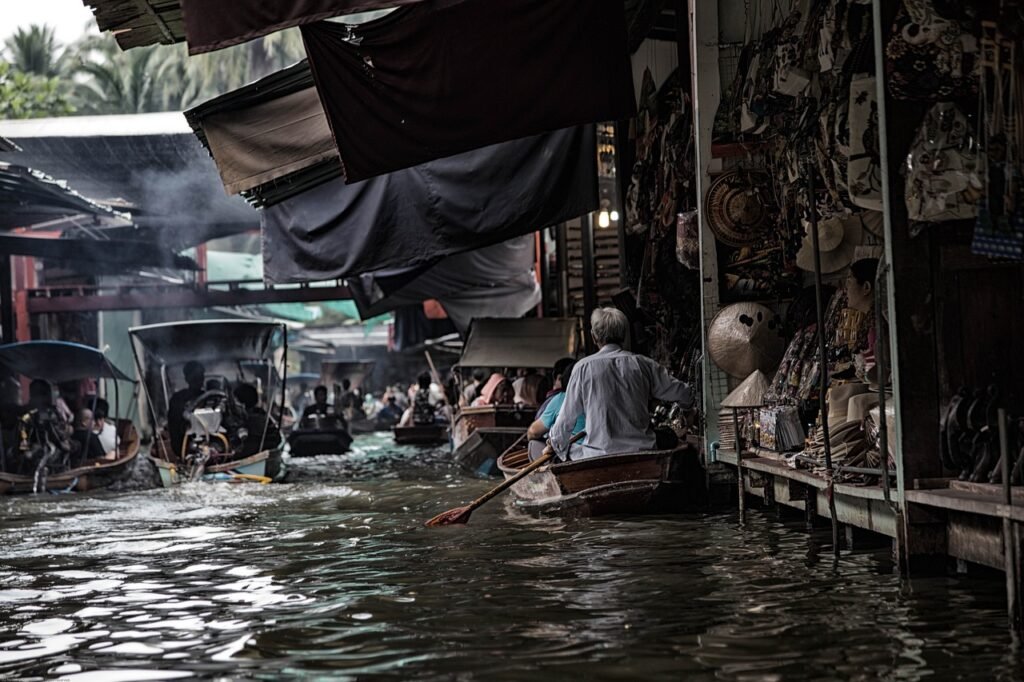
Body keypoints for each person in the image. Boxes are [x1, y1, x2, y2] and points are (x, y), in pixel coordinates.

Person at [549, 308, 693, 461]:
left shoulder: (583, 368)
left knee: (561, 454)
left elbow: (565, 420)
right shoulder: (642, 364)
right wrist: (686, 410)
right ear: (624, 335)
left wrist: (555, 444)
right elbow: (684, 393)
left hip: (597, 456)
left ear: (593, 336)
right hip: (642, 451)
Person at [526, 360, 585, 461]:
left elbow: (533, 432)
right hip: (594, 451)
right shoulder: (596, 398)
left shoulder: (561, 398)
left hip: (570, 455)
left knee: (534, 444)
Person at [168, 361, 205, 457]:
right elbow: (174, 425)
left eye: (200, 376)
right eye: (194, 377)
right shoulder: (178, 399)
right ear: (187, 378)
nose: (198, 380)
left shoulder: (210, 397)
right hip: (186, 447)